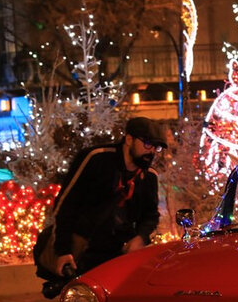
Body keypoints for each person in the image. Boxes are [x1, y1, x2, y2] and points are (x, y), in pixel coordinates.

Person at [52, 116, 165, 277]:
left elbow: (150, 215)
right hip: (86, 251)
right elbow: (66, 204)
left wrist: (141, 237)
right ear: (129, 139)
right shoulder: (96, 159)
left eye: (156, 147)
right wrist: (63, 251)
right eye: (147, 144)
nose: (152, 151)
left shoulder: (149, 176)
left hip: (121, 253)